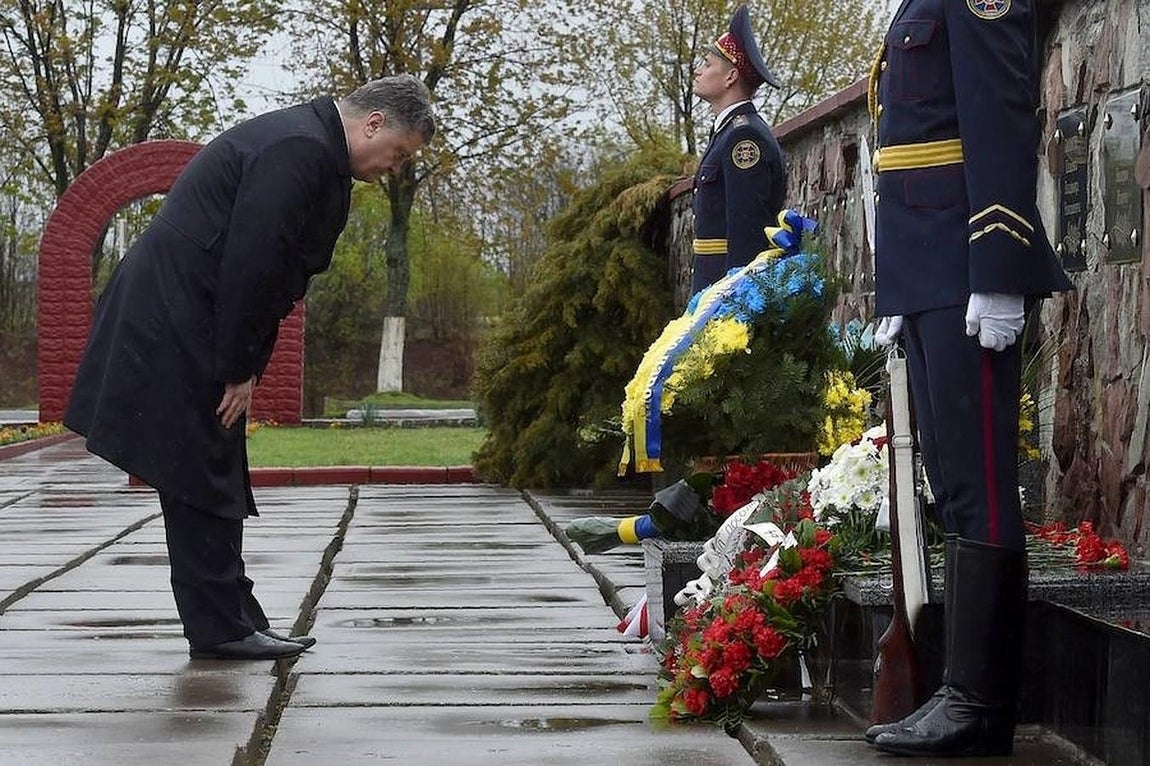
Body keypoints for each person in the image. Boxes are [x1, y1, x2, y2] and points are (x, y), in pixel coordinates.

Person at [64, 75, 435, 660]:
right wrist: (239, 366)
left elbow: (271, 268)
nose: (396, 167)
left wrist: (246, 360)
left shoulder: (307, 143)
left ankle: (234, 617)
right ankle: (221, 629)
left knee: (207, 466)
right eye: (399, 153)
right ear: (373, 123)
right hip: (175, 315)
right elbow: (252, 261)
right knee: (197, 471)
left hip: (188, 313)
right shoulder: (301, 148)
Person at [865, 0, 1072, 757]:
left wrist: (998, 266)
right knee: (953, 483)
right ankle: (960, 693)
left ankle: (980, 705)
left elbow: (1001, 114)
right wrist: (898, 286)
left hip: (963, 263)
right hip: (927, 270)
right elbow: (908, 143)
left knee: (981, 482)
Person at [689, 3, 786, 295]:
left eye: (707, 64)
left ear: (731, 77)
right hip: (712, 285)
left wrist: (735, 303)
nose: (698, 71)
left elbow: (747, 234)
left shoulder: (743, 137)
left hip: (724, 291)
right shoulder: (728, 131)